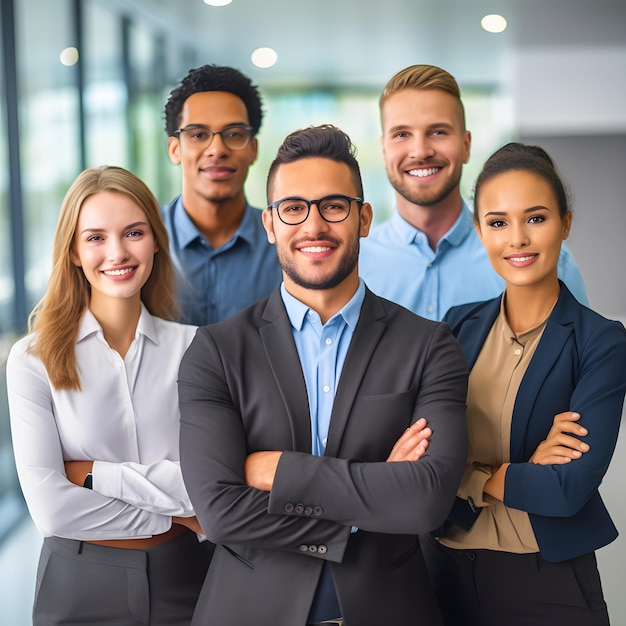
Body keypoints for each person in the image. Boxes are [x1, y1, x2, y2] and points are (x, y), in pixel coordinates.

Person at [178, 124, 469, 626]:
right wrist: (373, 496)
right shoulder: (215, 351)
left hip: (389, 609)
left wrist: (279, 473)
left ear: (363, 218)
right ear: (270, 223)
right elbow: (219, 512)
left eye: (334, 205)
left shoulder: (429, 345)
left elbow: (425, 501)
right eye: (293, 208)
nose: (314, 225)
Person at [420, 143, 626, 626]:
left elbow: (565, 489)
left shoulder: (601, 341)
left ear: (565, 224)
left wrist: (474, 475)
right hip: (443, 571)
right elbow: (421, 462)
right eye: (497, 222)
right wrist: (522, 469)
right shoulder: (456, 328)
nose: (517, 239)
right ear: (479, 233)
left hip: (547, 583)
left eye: (535, 218)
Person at [7, 166, 213, 625]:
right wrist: (177, 518)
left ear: (156, 240)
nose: (117, 252)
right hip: (79, 583)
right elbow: (52, 510)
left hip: (192, 578)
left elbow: (210, 487)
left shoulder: (199, 349)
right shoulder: (32, 359)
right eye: (95, 237)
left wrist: (95, 474)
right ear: (74, 252)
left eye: (133, 232)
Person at [359, 64, 588, 321]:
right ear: (383, 148)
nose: (420, 151)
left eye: (438, 132)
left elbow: (582, 348)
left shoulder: (541, 257)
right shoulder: (354, 264)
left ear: (466, 145)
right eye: (402, 134)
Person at [163, 63, 282, 325]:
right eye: (198, 134)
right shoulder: (144, 239)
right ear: (175, 150)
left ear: (253, 149)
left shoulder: (284, 243)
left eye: (234, 134)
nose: (217, 149)